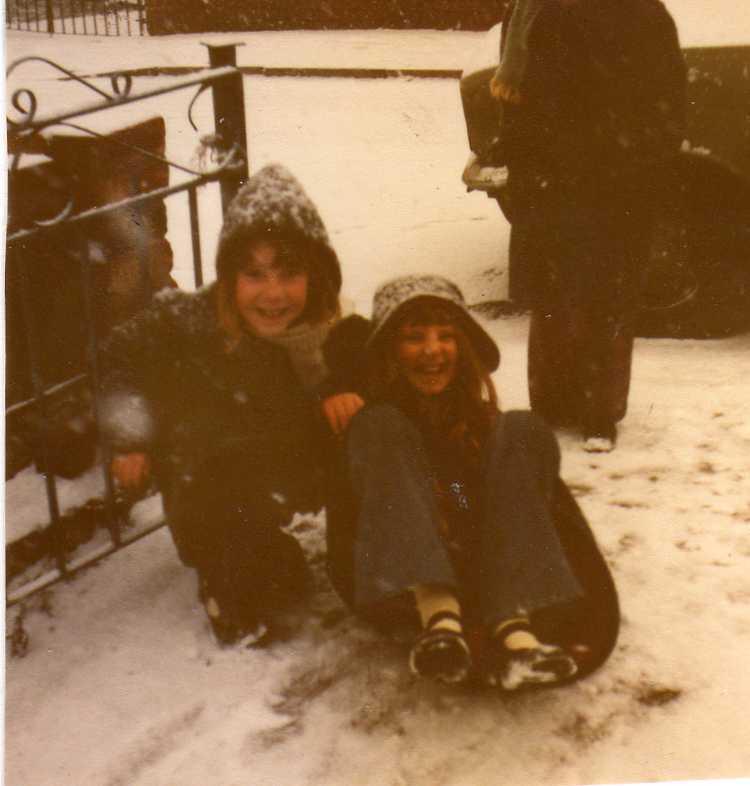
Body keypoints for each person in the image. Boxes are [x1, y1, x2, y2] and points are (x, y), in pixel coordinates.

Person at [321, 275, 619, 689]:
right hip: (398, 566)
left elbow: (467, 499)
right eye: (413, 337)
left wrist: (462, 495)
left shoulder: (472, 418)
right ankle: (439, 617)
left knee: (522, 428)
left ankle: (515, 626)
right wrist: (335, 389)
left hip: (469, 537)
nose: (432, 350)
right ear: (389, 349)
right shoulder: (371, 415)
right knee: (379, 426)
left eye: (446, 336)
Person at [99, 163, 344, 647]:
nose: (273, 294)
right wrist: (130, 440)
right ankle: (222, 576)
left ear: (315, 276)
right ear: (230, 278)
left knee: (285, 574)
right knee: (209, 440)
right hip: (206, 479)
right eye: (254, 275)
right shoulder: (186, 319)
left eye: (289, 274)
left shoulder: (325, 333)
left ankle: (284, 549)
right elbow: (117, 358)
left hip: (277, 468)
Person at [489, 0, 686, 451]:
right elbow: (515, 101)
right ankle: (550, 404)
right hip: (550, 177)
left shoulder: (643, 13)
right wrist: (521, 161)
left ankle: (601, 413)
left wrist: (640, 157)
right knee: (552, 294)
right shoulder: (533, 9)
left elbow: (669, 99)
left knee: (609, 296)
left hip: (618, 178)